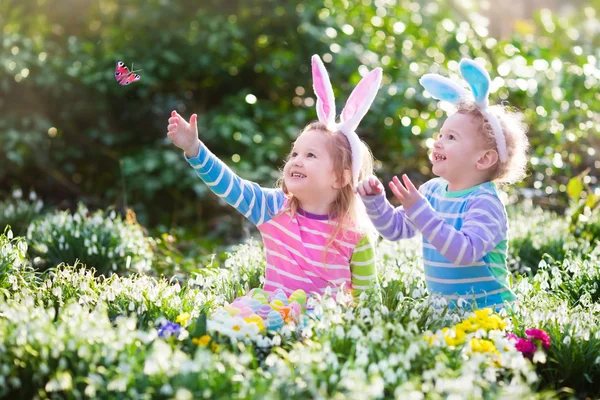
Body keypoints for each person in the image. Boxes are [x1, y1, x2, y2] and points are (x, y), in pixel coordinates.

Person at [168, 55, 382, 296]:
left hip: (323, 328)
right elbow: (230, 185)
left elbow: (368, 299)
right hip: (272, 317)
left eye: (311, 155)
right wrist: (194, 149)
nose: (296, 161)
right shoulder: (272, 208)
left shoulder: (354, 235)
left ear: (341, 178)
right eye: (294, 153)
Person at [358, 58, 529, 309]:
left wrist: (420, 211)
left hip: (489, 312)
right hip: (445, 313)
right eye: (440, 134)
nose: (438, 142)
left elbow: (464, 252)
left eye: (451, 137)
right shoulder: (432, 191)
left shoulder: (485, 203)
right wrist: (375, 202)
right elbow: (395, 230)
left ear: (483, 159)